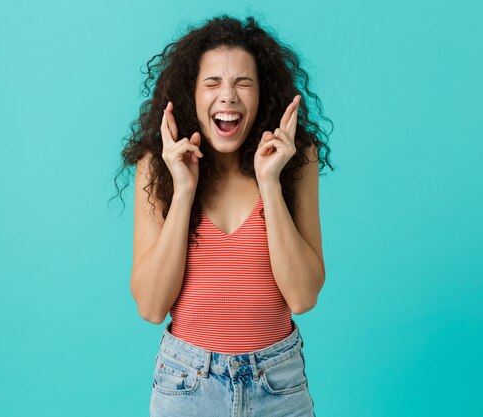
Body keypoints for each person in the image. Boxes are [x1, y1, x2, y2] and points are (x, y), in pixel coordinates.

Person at [117, 14, 334, 417]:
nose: (228, 96)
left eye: (243, 83)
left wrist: (270, 184)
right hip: (187, 385)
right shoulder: (157, 167)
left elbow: (303, 298)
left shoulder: (297, 161)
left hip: (278, 384)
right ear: (191, 95)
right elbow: (150, 307)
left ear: (262, 93)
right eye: (213, 83)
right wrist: (183, 191)